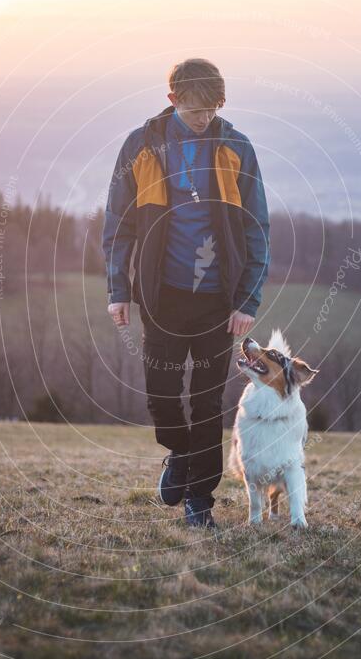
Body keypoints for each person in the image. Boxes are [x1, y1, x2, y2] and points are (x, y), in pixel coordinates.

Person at [102, 58, 270, 528]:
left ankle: (201, 500)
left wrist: (247, 300)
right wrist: (119, 290)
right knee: (161, 395)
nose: (205, 119)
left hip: (219, 299)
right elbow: (118, 223)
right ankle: (177, 451)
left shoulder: (236, 145)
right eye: (196, 111)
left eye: (213, 109)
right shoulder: (141, 145)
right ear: (173, 99)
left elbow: (258, 226)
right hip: (161, 295)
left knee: (207, 401)